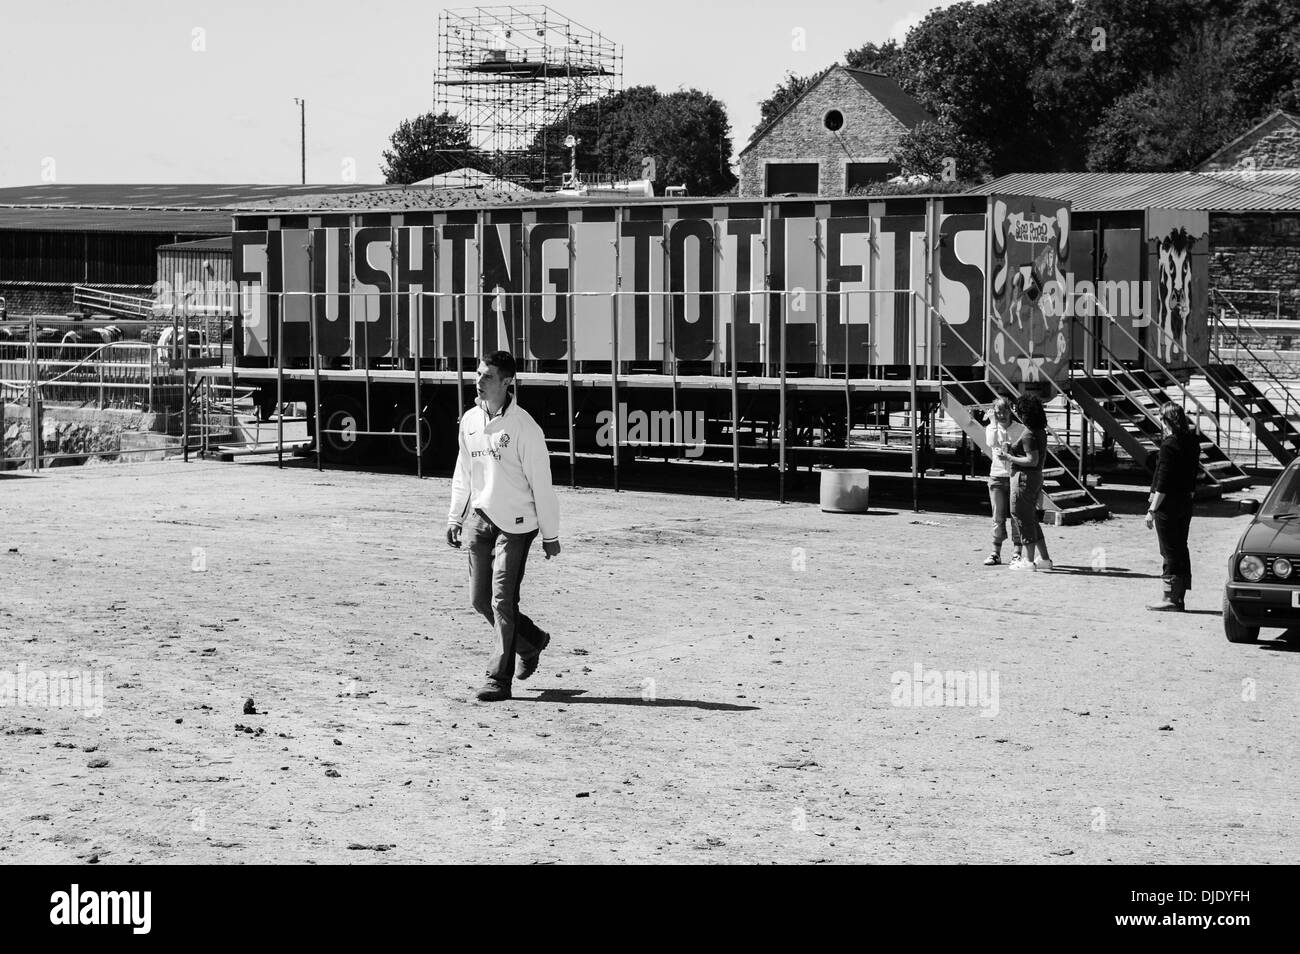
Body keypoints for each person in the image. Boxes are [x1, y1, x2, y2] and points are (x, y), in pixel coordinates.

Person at [446, 351, 561, 702]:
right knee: (480, 599)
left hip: (517, 524)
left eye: (488, 376)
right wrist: (455, 516)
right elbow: (463, 472)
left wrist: (550, 534)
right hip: (480, 520)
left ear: (508, 382)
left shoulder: (525, 427)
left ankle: (498, 678)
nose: (479, 381)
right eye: (478, 374)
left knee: (502, 600)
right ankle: (532, 641)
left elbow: (542, 483)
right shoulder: (469, 421)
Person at [1145, 403, 1199, 611]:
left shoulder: (1169, 445)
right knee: (1180, 547)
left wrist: (1152, 510)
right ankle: (1180, 596)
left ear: (1166, 420)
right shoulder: (1192, 441)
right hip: (1185, 501)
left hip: (1168, 504)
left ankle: (1169, 597)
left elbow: (1164, 481)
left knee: (1169, 550)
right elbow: (1192, 474)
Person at [1000, 393, 1054, 571]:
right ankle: (1044, 558)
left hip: (1024, 478)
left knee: (1021, 517)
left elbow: (1032, 460)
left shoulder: (1029, 433)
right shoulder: (1039, 431)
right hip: (1034, 478)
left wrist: (1009, 456)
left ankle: (1028, 561)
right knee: (1030, 518)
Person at [983, 396, 1022, 566]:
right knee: (998, 516)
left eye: (1004, 411)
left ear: (1010, 411)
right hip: (997, 475)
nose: (1002, 415)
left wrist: (1011, 452)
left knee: (1016, 516)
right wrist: (992, 421)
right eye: (998, 412)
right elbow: (991, 442)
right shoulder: (992, 428)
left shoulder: (1020, 429)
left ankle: (1017, 552)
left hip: (1015, 476)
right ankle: (995, 552)